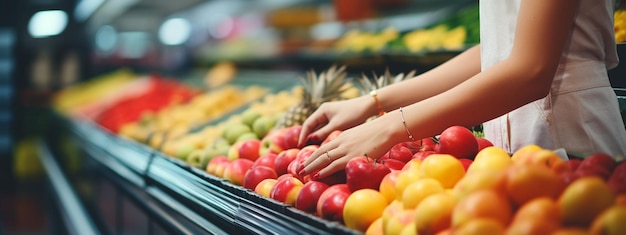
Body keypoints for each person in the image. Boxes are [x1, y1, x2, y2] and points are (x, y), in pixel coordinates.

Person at [297, 0, 626, 180]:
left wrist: (389, 126)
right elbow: (497, 51)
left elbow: (532, 69)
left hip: (575, 139)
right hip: (507, 154)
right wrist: (373, 102)